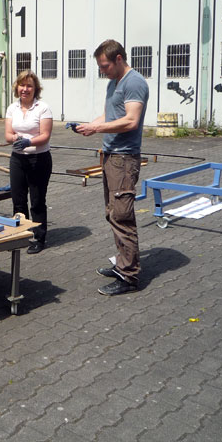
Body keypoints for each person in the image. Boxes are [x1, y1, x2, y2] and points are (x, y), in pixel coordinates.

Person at [76, 40, 149, 296]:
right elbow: (110, 116)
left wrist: (96, 128)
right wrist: (89, 125)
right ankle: (121, 264)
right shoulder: (113, 83)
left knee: (122, 215)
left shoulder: (134, 82)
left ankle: (129, 276)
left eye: (105, 65)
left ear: (119, 59)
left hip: (124, 158)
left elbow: (131, 121)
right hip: (110, 156)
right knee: (112, 213)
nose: (102, 70)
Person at [5, 70, 53, 254]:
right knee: (18, 200)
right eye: (22, 85)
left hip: (38, 159)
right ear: (17, 87)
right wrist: (15, 138)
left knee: (37, 200)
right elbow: (8, 134)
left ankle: (39, 238)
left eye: (29, 86)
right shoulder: (12, 108)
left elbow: (45, 136)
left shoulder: (43, 108)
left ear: (35, 89)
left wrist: (29, 142)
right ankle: (22, 234)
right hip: (18, 159)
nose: (25, 89)